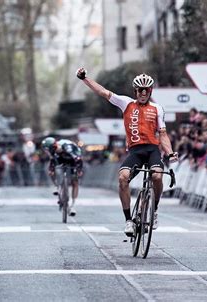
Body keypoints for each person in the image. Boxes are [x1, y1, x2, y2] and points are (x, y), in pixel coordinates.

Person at [75, 67, 178, 236]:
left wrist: (170, 153)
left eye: (146, 90)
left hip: (152, 149)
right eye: (140, 90)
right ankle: (129, 220)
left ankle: (154, 209)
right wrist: (84, 79)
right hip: (135, 151)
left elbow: (163, 134)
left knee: (157, 176)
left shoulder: (157, 108)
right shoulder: (126, 103)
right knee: (123, 179)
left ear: (150, 91)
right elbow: (103, 92)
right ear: (135, 91)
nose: (143, 93)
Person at [42, 137, 83, 216]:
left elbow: (78, 159)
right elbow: (52, 161)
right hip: (61, 158)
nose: (47, 152)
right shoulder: (53, 151)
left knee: (75, 181)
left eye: (48, 150)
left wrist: (79, 170)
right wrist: (51, 170)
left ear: (54, 146)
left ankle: (72, 205)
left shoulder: (67, 148)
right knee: (51, 171)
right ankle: (58, 187)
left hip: (73, 158)